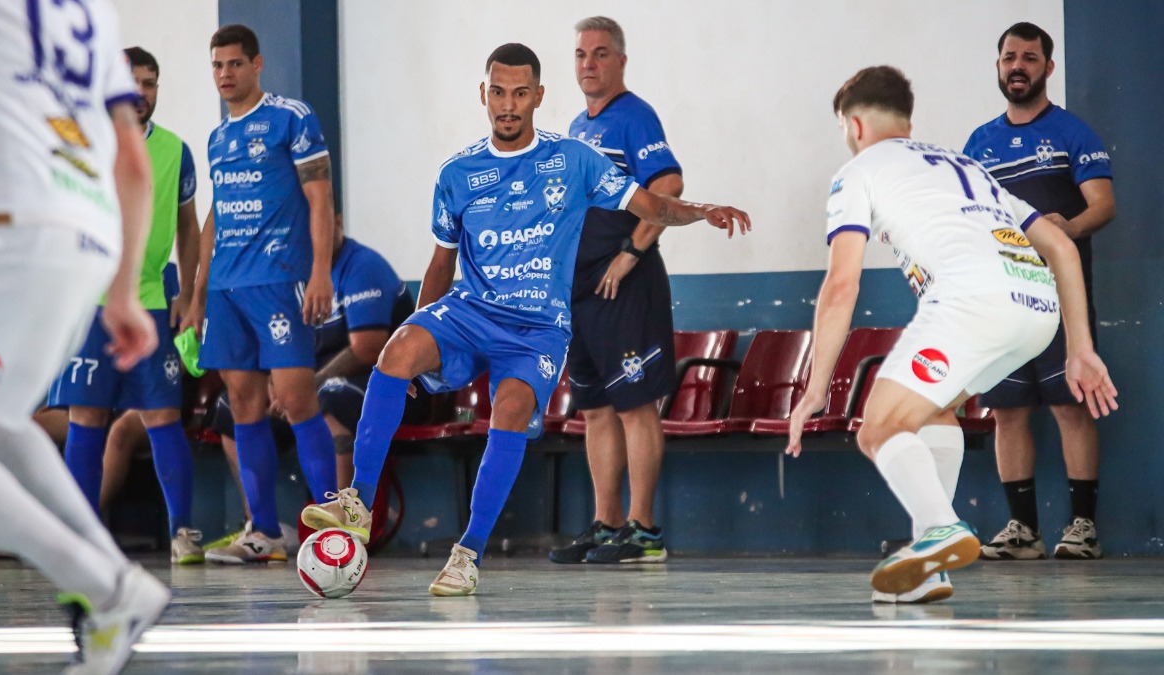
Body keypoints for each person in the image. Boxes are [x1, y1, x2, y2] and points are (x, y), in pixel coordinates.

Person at [302, 43, 749, 597]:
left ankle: (467, 554)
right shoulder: (457, 173)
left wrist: (702, 212)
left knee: (510, 411)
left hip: (537, 328)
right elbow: (441, 262)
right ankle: (358, 502)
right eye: (498, 92)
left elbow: (651, 205)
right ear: (483, 95)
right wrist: (415, 342)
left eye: (519, 93)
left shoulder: (574, 160)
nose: (507, 105)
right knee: (395, 351)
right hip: (472, 310)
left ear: (538, 96)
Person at [785, 65, 1117, 604]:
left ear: (856, 125)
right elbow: (1058, 244)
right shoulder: (966, 165)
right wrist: (1079, 347)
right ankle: (928, 567)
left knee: (878, 428)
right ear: (906, 121)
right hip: (1035, 309)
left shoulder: (860, 169)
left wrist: (816, 386)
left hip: (970, 301)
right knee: (934, 411)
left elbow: (841, 284)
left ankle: (941, 526)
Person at [0, 1, 170, 672]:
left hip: (8, 227)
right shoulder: (90, 13)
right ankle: (110, 579)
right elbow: (133, 163)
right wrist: (120, 287)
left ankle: (107, 587)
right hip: (86, 238)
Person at [180, 24, 339, 563]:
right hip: (226, 287)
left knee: (296, 398)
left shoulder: (292, 118)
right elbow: (214, 216)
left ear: (257, 64)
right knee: (242, 404)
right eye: (217, 66)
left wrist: (321, 272)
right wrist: (198, 292)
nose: (225, 74)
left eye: (234, 64)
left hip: (280, 282)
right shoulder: (218, 138)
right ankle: (265, 532)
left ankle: (335, 527)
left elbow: (320, 198)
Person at [963, 22, 1116, 561]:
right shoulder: (978, 144)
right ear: (999, 66)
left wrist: (1064, 231)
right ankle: (1022, 530)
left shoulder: (1074, 132)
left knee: (1069, 404)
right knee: (1007, 411)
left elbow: (1103, 204)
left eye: (1029, 57)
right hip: (1001, 304)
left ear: (1048, 67)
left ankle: (1082, 528)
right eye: (1009, 57)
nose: (1018, 66)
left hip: (1059, 300)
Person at [46, 46, 203, 566]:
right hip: (90, 303)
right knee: (86, 416)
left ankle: (184, 532)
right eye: (131, 81)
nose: (140, 93)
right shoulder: (79, 142)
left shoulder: (176, 150)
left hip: (154, 304)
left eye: (150, 84)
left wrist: (187, 292)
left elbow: (187, 226)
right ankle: (79, 534)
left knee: (163, 415)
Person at [548, 17, 682, 566]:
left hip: (624, 286)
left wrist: (631, 252)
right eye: (581, 54)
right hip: (580, 292)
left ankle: (644, 529)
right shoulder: (579, 126)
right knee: (596, 410)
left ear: (620, 61)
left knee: (633, 406)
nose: (588, 63)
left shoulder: (635, 116)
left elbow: (668, 186)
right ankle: (606, 525)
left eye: (600, 54)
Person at [203, 213, 415, 555]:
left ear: (337, 222)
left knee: (331, 398)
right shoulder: (288, 271)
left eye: (319, 225)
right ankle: (260, 528)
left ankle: (344, 529)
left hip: (387, 384)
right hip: (312, 381)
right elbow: (275, 341)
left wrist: (308, 385)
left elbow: (369, 348)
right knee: (233, 406)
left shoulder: (363, 266)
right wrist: (275, 384)